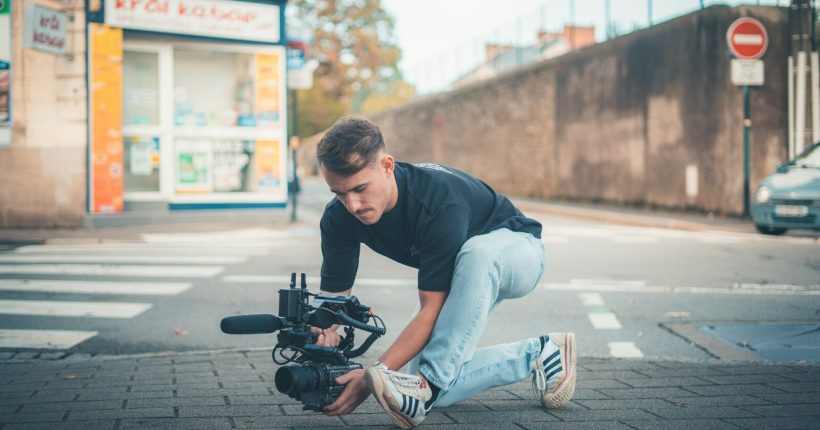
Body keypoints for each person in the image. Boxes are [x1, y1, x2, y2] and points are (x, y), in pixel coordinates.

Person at [313, 117, 576, 428]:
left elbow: (431, 308)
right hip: (460, 273)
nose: (352, 205)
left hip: (518, 252)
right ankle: (540, 353)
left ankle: (425, 391)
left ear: (386, 166)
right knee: (414, 380)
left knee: (476, 252)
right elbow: (334, 304)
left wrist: (374, 377)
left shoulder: (437, 201)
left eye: (359, 189)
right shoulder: (338, 218)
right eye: (339, 193)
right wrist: (321, 336)